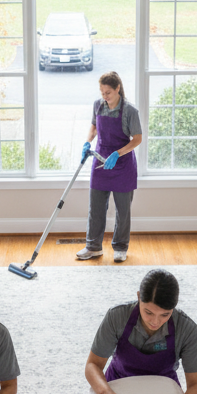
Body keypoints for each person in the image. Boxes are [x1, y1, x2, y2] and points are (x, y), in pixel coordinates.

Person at [76, 71, 142, 263]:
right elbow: (94, 127)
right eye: (102, 92)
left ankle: (120, 247)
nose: (104, 97)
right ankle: (93, 247)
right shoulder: (98, 105)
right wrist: (87, 142)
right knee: (95, 208)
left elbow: (137, 139)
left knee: (123, 210)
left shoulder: (130, 111)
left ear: (118, 89)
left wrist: (118, 153)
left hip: (122, 164)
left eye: (108, 93)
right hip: (100, 160)